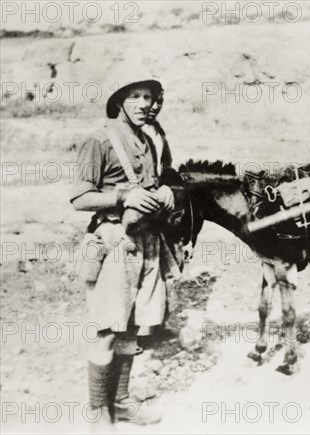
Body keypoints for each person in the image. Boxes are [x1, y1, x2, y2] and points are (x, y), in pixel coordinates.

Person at [70, 66, 179, 426]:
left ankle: (120, 402)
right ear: (118, 101)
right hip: (114, 241)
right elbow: (80, 197)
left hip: (146, 239)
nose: (144, 104)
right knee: (106, 330)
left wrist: (164, 190)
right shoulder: (99, 141)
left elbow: (154, 184)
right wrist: (122, 194)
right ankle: (98, 413)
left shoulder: (148, 142)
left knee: (132, 328)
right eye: (135, 96)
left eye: (150, 98)